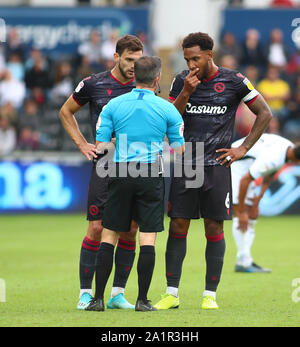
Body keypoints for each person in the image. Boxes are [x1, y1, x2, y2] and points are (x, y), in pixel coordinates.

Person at [154, 32, 272, 311]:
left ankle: (210, 295)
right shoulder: (182, 80)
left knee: (214, 226)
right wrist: (185, 93)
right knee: (179, 225)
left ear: (210, 55)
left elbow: (265, 113)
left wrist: (241, 149)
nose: (191, 64)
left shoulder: (235, 80)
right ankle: (172, 293)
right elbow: (172, 119)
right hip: (187, 160)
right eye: (187, 59)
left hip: (218, 164)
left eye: (196, 58)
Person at [85, 56, 185, 312]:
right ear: (156, 79)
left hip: (119, 171)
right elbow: (179, 148)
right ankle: (142, 300)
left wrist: (122, 145)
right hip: (151, 173)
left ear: (134, 77)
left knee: (109, 235)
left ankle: (97, 299)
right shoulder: (167, 109)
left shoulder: (113, 106)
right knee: (147, 238)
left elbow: (101, 146)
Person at [59, 35, 144, 310]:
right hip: (106, 162)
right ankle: (85, 293)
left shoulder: (143, 87)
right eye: (130, 60)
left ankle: (117, 294)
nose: (134, 66)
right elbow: (66, 111)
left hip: (136, 164)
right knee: (96, 228)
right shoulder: (94, 84)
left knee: (130, 231)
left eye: (138, 60)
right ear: (116, 57)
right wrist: (82, 143)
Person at [231, 134, 300, 273]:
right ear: (297, 161)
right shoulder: (274, 158)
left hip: (245, 164)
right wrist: (241, 211)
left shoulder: (288, 147)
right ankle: (243, 261)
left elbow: (270, 173)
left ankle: (245, 260)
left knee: (252, 215)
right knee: (242, 216)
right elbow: (245, 180)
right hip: (235, 164)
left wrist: (258, 200)